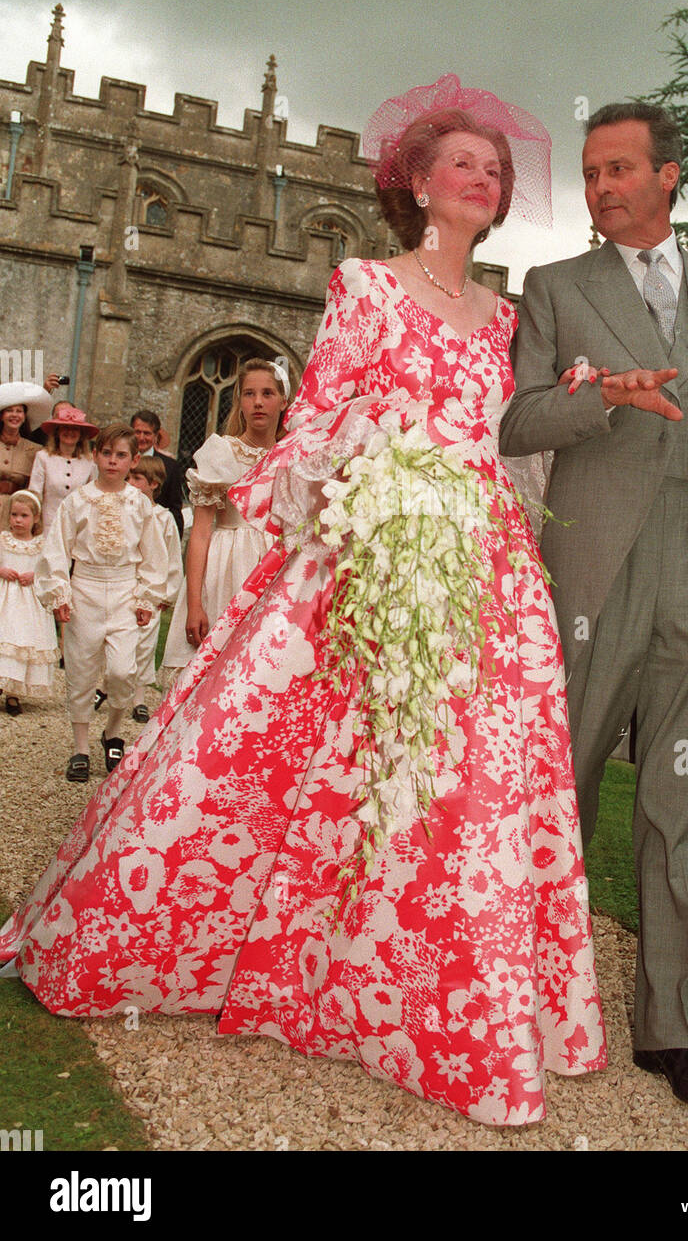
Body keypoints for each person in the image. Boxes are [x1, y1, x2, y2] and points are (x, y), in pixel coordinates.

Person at [0, 75, 606, 1127]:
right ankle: (275, 963)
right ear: (417, 183)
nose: (481, 176)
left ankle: (434, 1001)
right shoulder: (365, 285)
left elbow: (504, 442)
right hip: (365, 551)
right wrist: (359, 498)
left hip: (481, 570)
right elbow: (317, 422)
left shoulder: (507, 318)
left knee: (468, 779)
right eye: (460, 161)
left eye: (494, 168)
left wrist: (584, 397)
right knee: (279, 756)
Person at [500, 101, 688, 1112]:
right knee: (556, 794)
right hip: (589, 575)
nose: (600, 186)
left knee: (679, 807)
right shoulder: (552, 286)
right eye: (588, 172)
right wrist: (605, 395)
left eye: (619, 168)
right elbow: (518, 416)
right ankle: (525, 1000)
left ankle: (670, 1031)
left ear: (667, 177)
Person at [33, 422, 170, 783]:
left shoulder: (139, 504)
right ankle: (79, 747)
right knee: (79, 669)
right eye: (106, 453)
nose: (112, 461)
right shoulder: (78, 500)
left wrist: (146, 596)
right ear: (95, 455)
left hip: (125, 591)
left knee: (123, 670)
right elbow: (57, 549)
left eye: (121, 455)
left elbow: (154, 556)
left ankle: (112, 730)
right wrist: (60, 591)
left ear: (134, 460)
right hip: (86, 590)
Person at [161, 360, 289, 670]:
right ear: (240, 402)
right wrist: (194, 604)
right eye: (249, 394)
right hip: (227, 568)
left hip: (273, 570)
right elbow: (201, 533)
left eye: (267, 393)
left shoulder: (291, 454)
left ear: (283, 401)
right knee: (213, 673)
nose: (258, 402)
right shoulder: (221, 452)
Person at [127, 456, 184, 722]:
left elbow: (172, 558)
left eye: (137, 479)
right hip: (125, 585)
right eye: (129, 478)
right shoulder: (123, 512)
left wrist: (166, 594)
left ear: (153, 484)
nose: (131, 483)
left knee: (145, 644)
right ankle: (108, 687)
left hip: (151, 591)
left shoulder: (163, 519)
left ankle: (139, 697)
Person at [0, 490, 58, 715]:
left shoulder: (40, 544)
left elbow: (48, 570)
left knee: (22, 642)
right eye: (14, 515)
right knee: (5, 638)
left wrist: (34, 575)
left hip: (28, 603)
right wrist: (2, 570)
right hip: (5, 599)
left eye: (23, 516)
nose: (17, 520)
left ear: (35, 518)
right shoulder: (3, 539)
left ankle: (14, 692)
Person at [28, 405, 98, 534]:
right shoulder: (43, 458)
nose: (69, 432)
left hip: (78, 529)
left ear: (81, 435)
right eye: (65, 427)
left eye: (75, 429)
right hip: (48, 528)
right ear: (57, 432)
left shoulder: (89, 462)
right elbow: (35, 493)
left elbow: (94, 498)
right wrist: (36, 524)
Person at [0, 382, 52, 530]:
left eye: (19, 411)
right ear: (2, 416)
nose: (14, 415)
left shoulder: (35, 450)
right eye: (9, 411)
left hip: (18, 514)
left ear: (24, 417)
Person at [130, 411, 184, 542]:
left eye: (147, 433)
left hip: (155, 535)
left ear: (155, 436)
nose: (141, 437)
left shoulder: (170, 466)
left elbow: (174, 507)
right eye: (137, 432)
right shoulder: (123, 460)